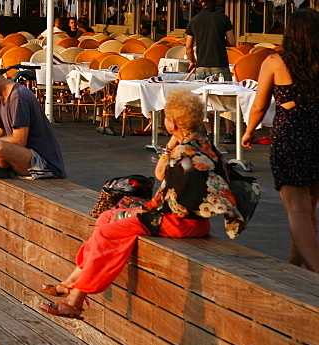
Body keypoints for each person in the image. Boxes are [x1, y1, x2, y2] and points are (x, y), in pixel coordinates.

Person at [39, 90, 242, 319]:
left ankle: (75, 300)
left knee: (108, 231)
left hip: (179, 222)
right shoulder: (203, 145)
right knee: (107, 217)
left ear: (173, 123)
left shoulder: (183, 152)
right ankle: (72, 281)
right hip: (190, 220)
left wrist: (171, 146)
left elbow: (161, 179)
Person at [244, 8, 319, 272]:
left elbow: (259, 104)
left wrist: (250, 129)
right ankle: (295, 267)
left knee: (297, 208)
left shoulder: (276, 61)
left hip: (292, 135)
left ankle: (315, 273)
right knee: (309, 207)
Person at [185, 0, 235, 81]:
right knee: (224, 94)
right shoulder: (223, 19)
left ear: (201, 2)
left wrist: (192, 61)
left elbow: (188, 47)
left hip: (201, 66)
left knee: (202, 94)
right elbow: (232, 42)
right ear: (216, 2)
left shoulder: (194, 20)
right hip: (220, 64)